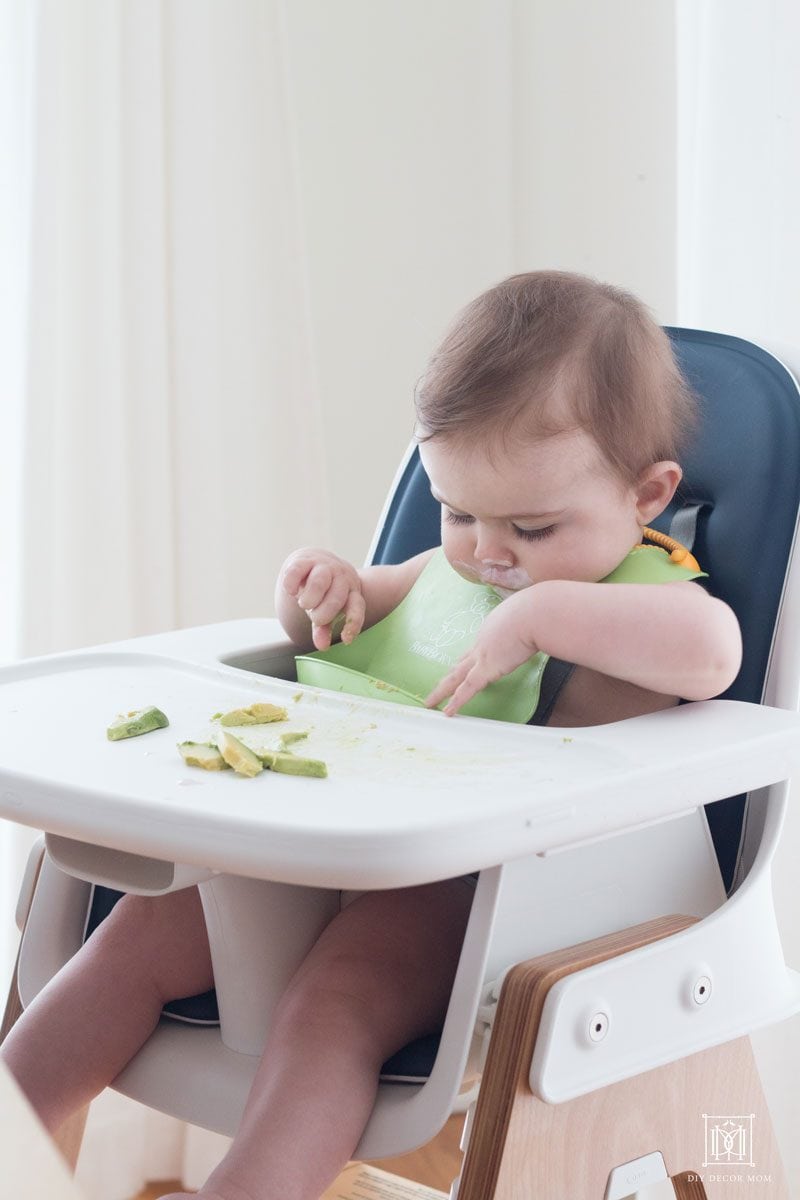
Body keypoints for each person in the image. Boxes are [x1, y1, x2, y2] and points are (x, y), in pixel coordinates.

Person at [0, 271, 742, 1200]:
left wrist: (550, 615)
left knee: (332, 1006)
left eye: (533, 525)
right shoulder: (457, 568)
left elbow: (715, 656)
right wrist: (316, 587)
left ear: (648, 496)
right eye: (459, 510)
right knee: (141, 934)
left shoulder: (654, 599)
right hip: (328, 850)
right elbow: (334, 625)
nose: (487, 553)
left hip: (486, 901)